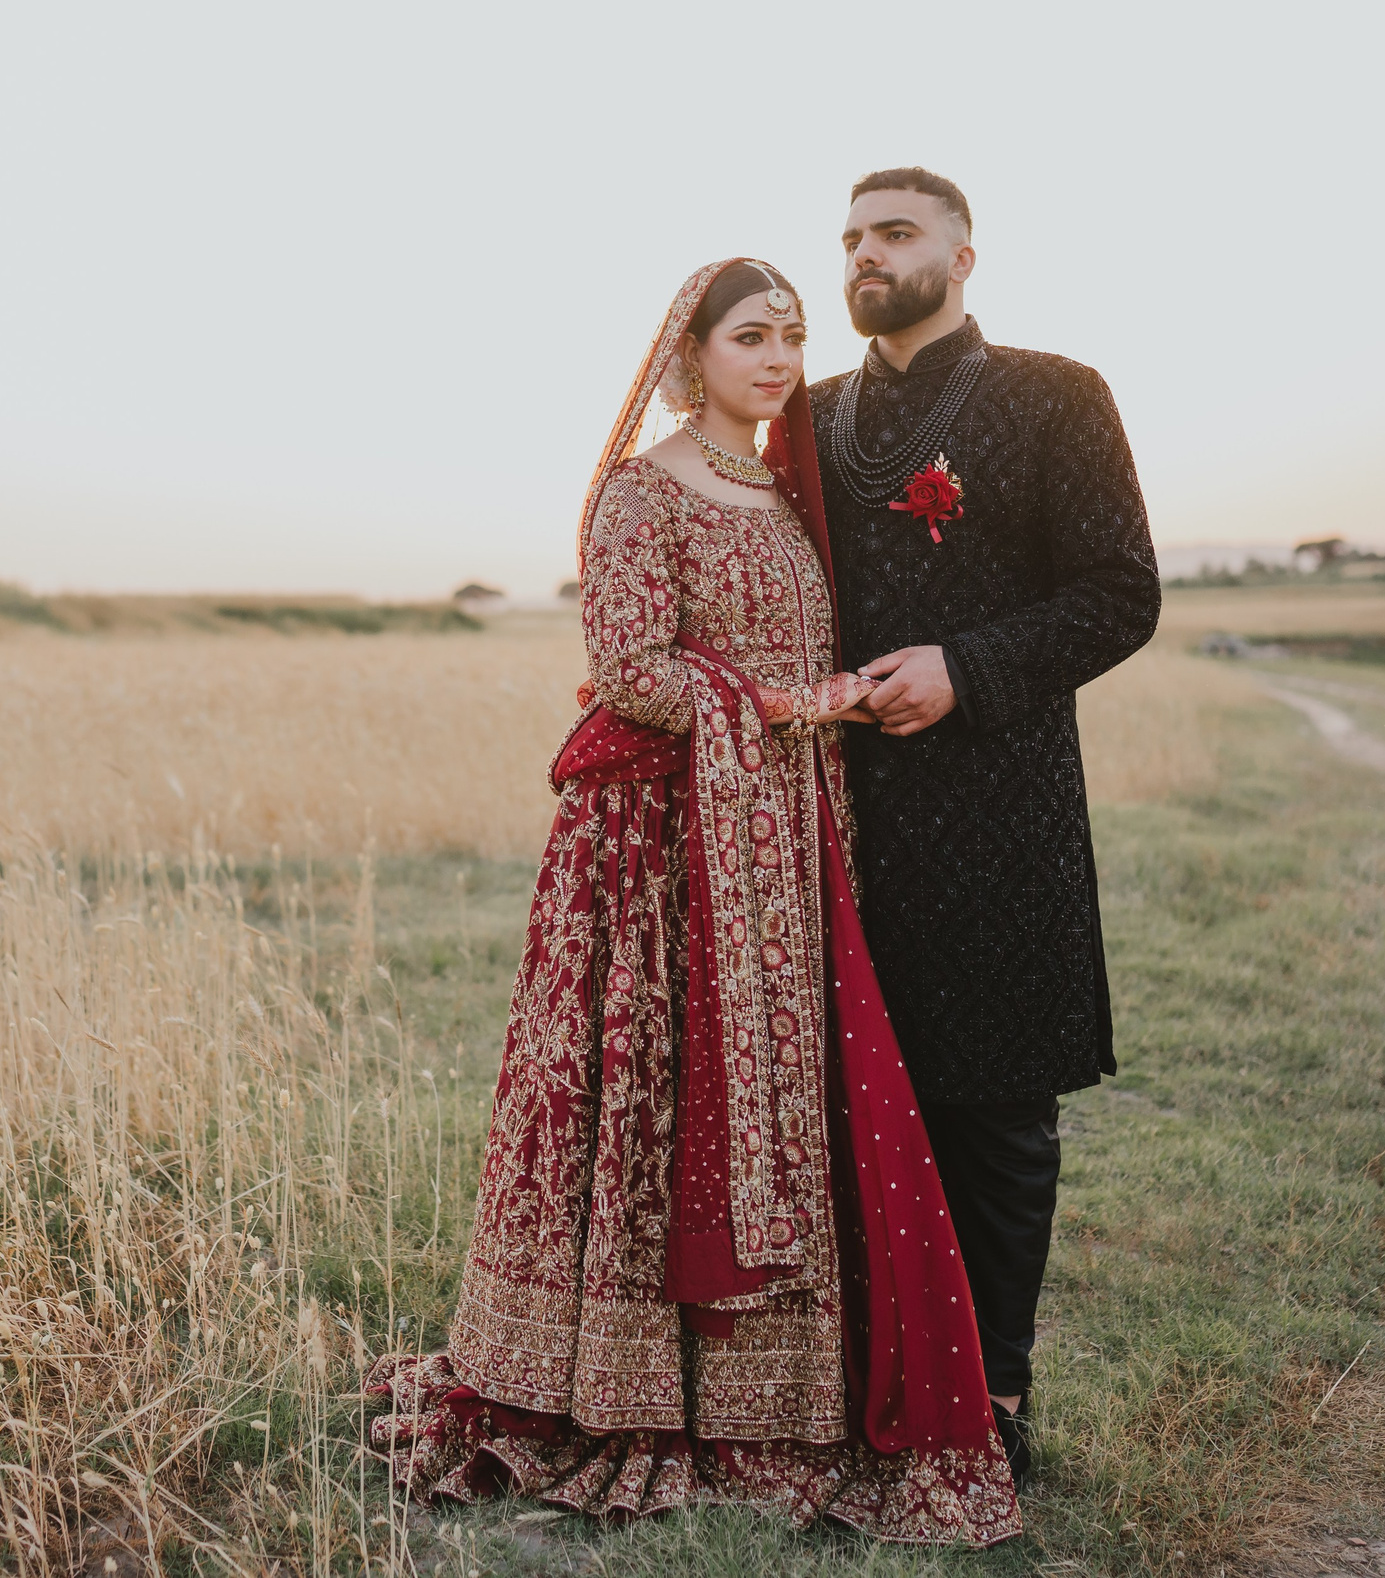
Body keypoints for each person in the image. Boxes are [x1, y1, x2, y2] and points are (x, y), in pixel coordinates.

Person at [365, 259, 1021, 1544]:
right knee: (660, 1093)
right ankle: (620, 1388)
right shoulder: (640, 491)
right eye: (748, 338)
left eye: (790, 335)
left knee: (790, 1090)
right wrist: (786, 705)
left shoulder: (786, 492)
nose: (776, 359)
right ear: (691, 352)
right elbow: (628, 668)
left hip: (785, 837)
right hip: (665, 849)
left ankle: (773, 1399)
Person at [794, 168, 1162, 1487]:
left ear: (962, 251)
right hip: (836, 814)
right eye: (848, 238)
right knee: (848, 1107)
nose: (864, 256)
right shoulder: (811, 414)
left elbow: (1120, 594)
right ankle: (858, 1384)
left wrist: (964, 663)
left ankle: (992, 1398)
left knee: (996, 1113)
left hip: (1004, 807)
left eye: (893, 234)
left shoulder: (1056, 396)